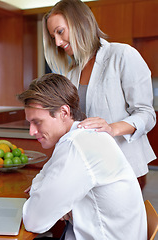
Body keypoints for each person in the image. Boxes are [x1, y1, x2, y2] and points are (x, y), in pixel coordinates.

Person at [18, 73, 147, 240]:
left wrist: (44, 194)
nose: (32, 132)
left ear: (63, 112)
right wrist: (50, 196)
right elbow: (44, 175)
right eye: (30, 123)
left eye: (37, 122)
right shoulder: (83, 136)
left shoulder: (76, 144)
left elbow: (34, 221)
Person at [42, 0, 156, 189]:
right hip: (88, 166)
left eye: (60, 32)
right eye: (53, 36)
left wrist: (111, 128)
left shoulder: (122, 55)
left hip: (122, 165)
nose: (57, 42)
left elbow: (146, 114)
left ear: (80, 23)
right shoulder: (71, 73)